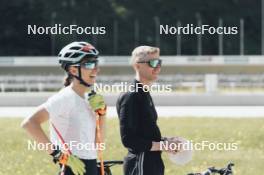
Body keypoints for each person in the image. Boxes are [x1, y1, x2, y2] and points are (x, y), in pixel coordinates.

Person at [21, 41, 107, 175]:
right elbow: (29, 123)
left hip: (90, 164)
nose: (96, 69)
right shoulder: (64, 97)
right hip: (71, 168)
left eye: (96, 63)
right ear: (73, 70)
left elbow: (98, 144)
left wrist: (102, 114)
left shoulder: (89, 98)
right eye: (90, 64)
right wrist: (59, 155)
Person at [116, 46, 180, 175]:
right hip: (140, 164)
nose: (158, 68)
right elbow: (129, 140)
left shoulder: (143, 93)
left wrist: (165, 141)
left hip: (151, 163)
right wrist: (163, 145)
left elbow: (145, 133)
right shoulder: (132, 96)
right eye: (153, 63)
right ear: (137, 66)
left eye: (159, 63)